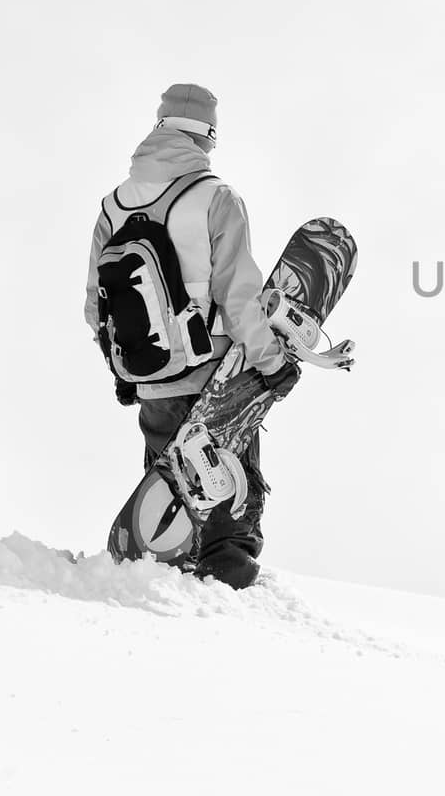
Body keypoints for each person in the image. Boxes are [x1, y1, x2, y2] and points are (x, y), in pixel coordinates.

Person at [84, 83, 300, 588]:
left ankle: (162, 583)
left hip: (151, 374)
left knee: (169, 492)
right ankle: (227, 593)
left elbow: (97, 306)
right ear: (208, 136)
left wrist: (122, 368)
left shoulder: (113, 206)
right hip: (216, 376)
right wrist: (272, 365)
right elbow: (239, 296)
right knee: (227, 491)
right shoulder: (216, 197)